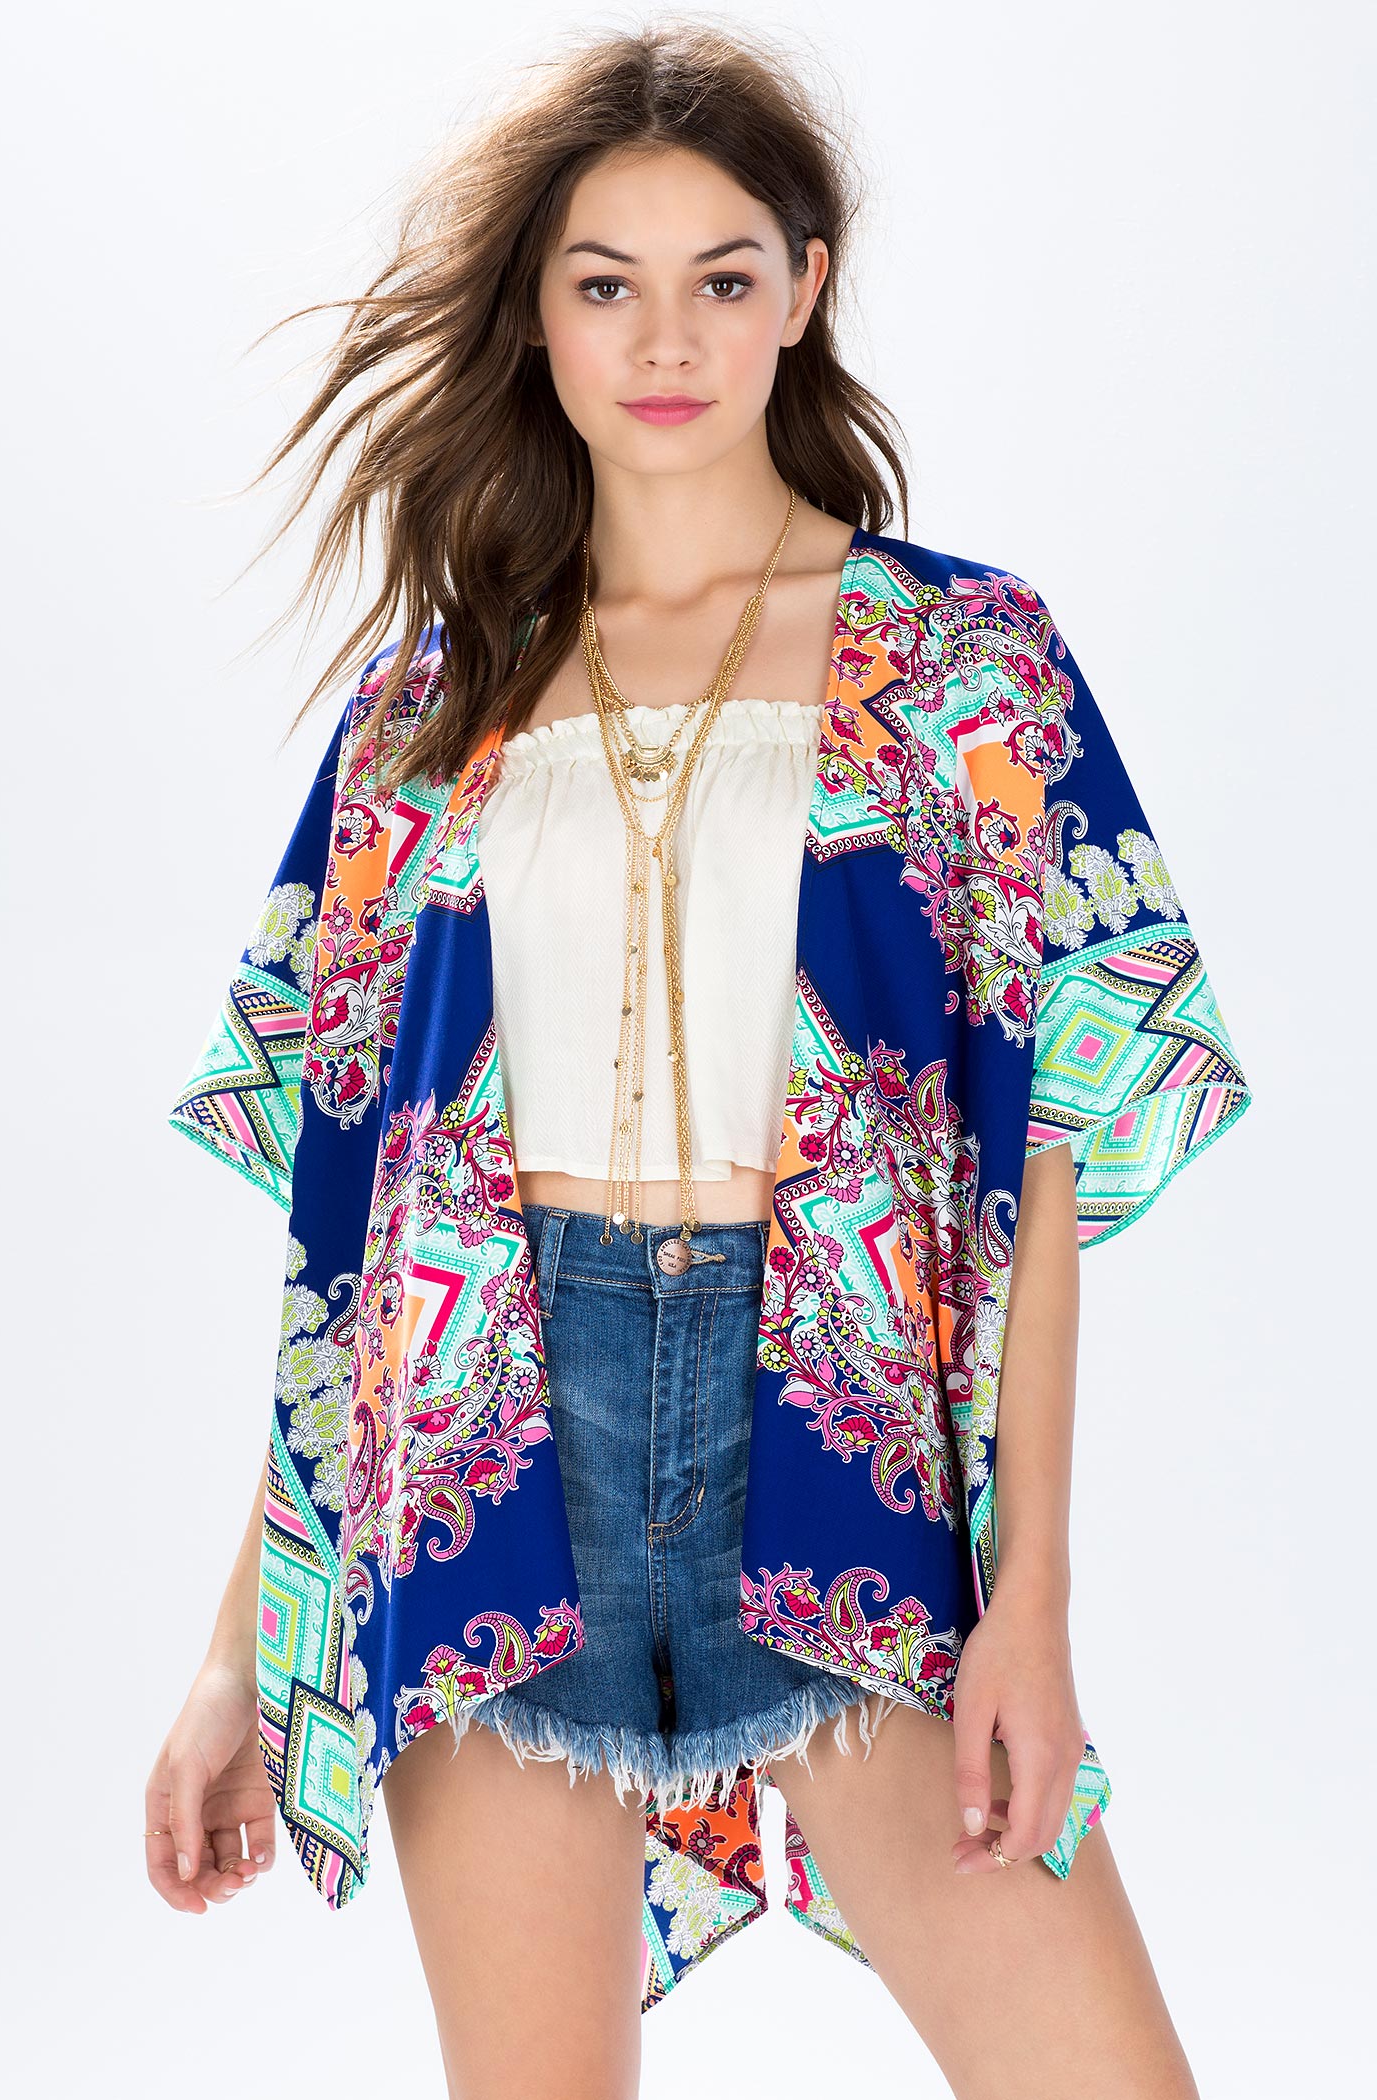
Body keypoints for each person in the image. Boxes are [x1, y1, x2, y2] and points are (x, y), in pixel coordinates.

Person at [145, 23, 1252, 2100]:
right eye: (606, 283)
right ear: (537, 314)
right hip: (484, 1465)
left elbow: (1046, 1162)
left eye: (722, 277)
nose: (665, 339)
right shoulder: (433, 705)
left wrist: (1030, 1605)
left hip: (842, 1452)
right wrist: (236, 1655)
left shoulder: (965, 662)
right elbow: (351, 1246)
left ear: (803, 290)